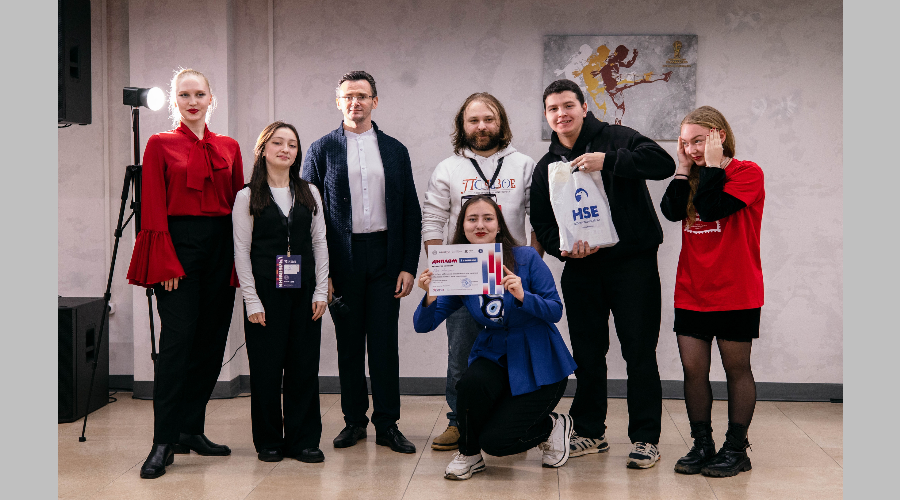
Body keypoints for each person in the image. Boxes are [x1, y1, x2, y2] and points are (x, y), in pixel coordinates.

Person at [529, 79, 675, 469]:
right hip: (581, 270)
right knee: (588, 355)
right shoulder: (546, 166)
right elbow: (542, 221)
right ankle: (591, 432)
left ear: (583, 107)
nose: (561, 114)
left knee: (639, 352)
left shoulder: (618, 138)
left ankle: (645, 438)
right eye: (553, 109)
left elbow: (663, 164)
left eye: (568, 105)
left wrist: (607, 161)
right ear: (547, 116)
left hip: (633, 266)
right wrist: (563, 249)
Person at [126, 68, 244, 479]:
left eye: (199, 94)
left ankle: (191, 429)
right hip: (178, 247)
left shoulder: (229, 147)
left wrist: (242, 260)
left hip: (221, 248)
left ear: (211, 99)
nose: (192, 102)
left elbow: (240, 206)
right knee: (177, 346)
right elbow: (152, 206)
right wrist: (165, 261)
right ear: (175, 101)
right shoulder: (159, 144)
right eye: (184, 95)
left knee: (211, 344)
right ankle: (163, 441)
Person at [414, 195, 577, 480]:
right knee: (470, 384)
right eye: (472, 219)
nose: (480, 225)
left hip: (539, 361)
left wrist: (523, 296)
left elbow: (555, 310)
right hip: (496, 355)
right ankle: (468, 454)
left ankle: (552, 426)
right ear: (462, 226)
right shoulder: (459, 266)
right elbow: (423, 325)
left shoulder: (526, 257)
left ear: (499, 225)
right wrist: (430, 294)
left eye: (488, 219)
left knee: (497, 443)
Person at [302, 70, 422, 454]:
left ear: (375, 101)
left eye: (363, 96)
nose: (356, 102)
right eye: (348, 96)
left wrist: (408, 265)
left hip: (386, 257)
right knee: (349, 345)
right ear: (339, 102)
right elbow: (307, 215)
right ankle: (354, 421)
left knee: (384, 345)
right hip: (342, 260)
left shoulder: (395, 150)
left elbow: (411, 211)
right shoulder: (321, 150)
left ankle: (387, 424)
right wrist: (321, 274)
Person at [421, 92, 542, 451]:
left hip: (508, 277)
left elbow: (539, 219)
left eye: (489, 119)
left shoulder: (524, 165)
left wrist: (529, 268)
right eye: (473, 120)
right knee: (462, 353)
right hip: (463, 279)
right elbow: (433, 220)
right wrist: (440, 271)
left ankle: (510, 420)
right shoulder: (448, 168)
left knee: (513, 352)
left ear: (501, 122)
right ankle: (458, 422)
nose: (481, 126)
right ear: (463, 125)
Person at [659, 106, 764, 477]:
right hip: (692, 289)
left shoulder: (747, 172)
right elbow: (671, 211)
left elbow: (712, 207)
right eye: (685, 144)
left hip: (736, 290)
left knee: (736, 369)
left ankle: (736, 449)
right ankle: (702, 444)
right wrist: (683, 168)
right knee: (693, 370)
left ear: (719, 135)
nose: (692, 150)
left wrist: (713, 167)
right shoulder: (692, 174)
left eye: (699, 141)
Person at [233, 121, 329, 464]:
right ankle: (269, 440)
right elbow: (241, 251)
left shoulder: (309, 191)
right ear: (263, 150)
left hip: (304, 293)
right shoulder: (247, 196)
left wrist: (321, 291)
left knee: (304, 367)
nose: (285, 149)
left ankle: (303, 441)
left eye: (292, 144)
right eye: (278, 143)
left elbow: (320, 242)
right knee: (266, 370)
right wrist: (251, 300)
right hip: (265, 295)